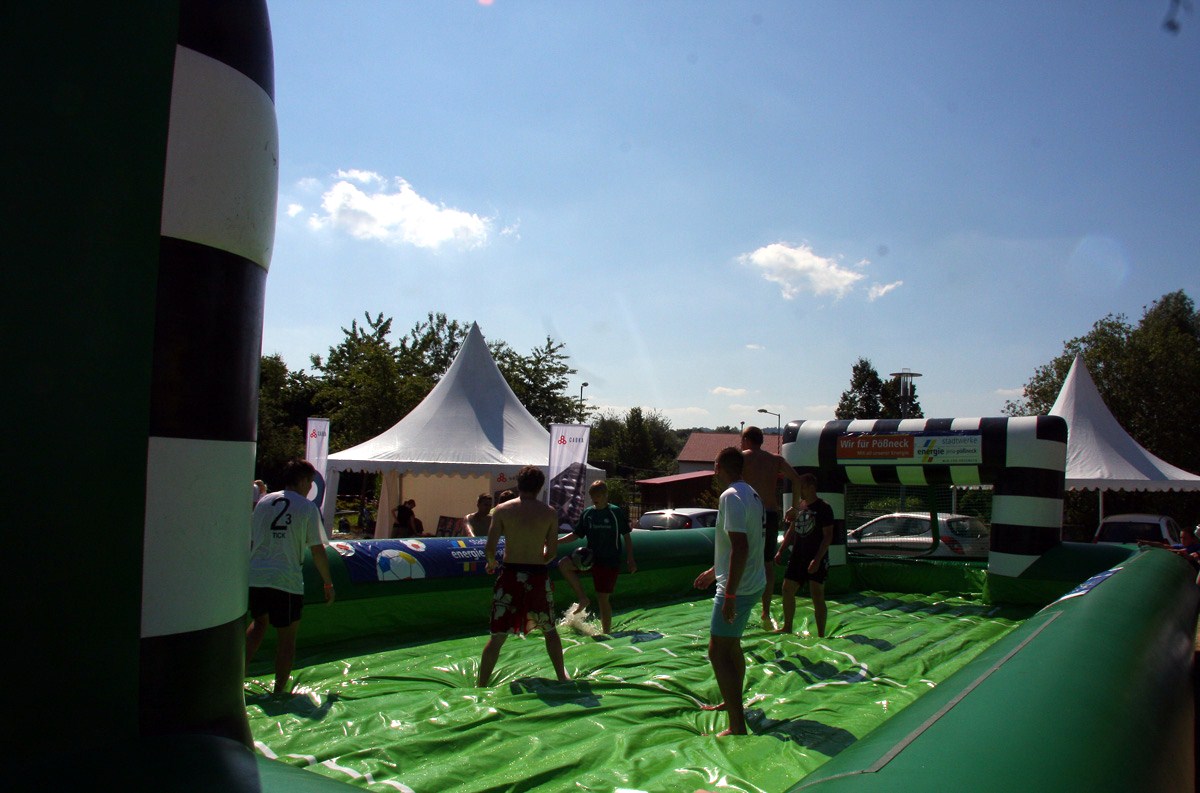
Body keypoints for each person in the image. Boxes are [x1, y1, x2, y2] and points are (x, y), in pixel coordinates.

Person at [245, 459, 335, 696]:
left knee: (258, 625)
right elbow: (318, 550)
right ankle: (279, 691)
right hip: (285, 578)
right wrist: (328, 582)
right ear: (304, 480)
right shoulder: (306, 507)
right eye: (310, 482)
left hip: (257, 575)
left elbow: (252, 539)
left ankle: (235, 681)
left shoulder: (264, 501)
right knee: (287, 638)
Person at [692, 446, 766, 736]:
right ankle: (732, 701)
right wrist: (714, 573)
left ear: (721, 467)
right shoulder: (752, 493)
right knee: (731, 645)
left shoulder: (730, 496)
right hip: (749, 581)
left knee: (717, 651)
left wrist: (730, 594)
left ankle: (737, 724)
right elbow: (739, 544)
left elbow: (741, 546)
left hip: (740, 586)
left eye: (715, 465)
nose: (714, 471)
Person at [477, 466, 569, 686]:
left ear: (518, 484)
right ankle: (561, 676)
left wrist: (491, 564)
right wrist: (540, 560)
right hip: (537, 574)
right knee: (549, 630)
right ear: (540, 487)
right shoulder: (548, 512)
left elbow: (490, 548)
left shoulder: (501, 510)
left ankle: (481, 684)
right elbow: (553, 552)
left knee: (498, 635)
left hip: (510, 573)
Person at [741, 426, 810, 630]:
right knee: (767, 564)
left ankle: (738, 608)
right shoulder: (775, 460)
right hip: (770, 514)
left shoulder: (742, 458)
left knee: (741, 559)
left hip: (748, 513)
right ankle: (765, 610)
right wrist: (795, 507)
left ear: (746, 439)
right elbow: (797, 479)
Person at [557, 480, 637, 634]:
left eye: (599, 495)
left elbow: (626, 536)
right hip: (590, 558)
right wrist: (557, 541)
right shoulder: (588, 513)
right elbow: (576, 534)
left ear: (606, 495)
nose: (596, 499)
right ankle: (582, 598)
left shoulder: (615, 512)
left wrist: (630, 559)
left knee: (602, 598)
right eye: (593, 496)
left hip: (609, 561)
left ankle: (606, 632)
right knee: (564, 564)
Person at [774, 472, 833, 637]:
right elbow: (792, 531)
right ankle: (787, 626)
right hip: (798, 556)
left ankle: (821, 633)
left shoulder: (824, 508)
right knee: (787, 589)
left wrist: (817, 559)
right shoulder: (800, 506)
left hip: (816, 557)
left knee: (817, 594)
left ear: (811, 487)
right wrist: (781, 550)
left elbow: (828, 536)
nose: (799, 491)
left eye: (802, 487)